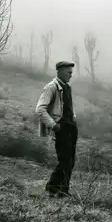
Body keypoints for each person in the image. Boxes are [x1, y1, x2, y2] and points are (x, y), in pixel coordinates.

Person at [35, 60, 78, 197]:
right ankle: (54, 188)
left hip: (71, 127)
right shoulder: (51, 87)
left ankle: (61, 189)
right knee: (65, 160)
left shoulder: (66, 87)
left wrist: (74, 119)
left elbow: (68, 107)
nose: (71, 75)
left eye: (71, 73)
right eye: (68, 72)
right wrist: (54, 125)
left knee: (70, 160)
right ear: (59, 71)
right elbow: (40, 109)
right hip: (61, 128)